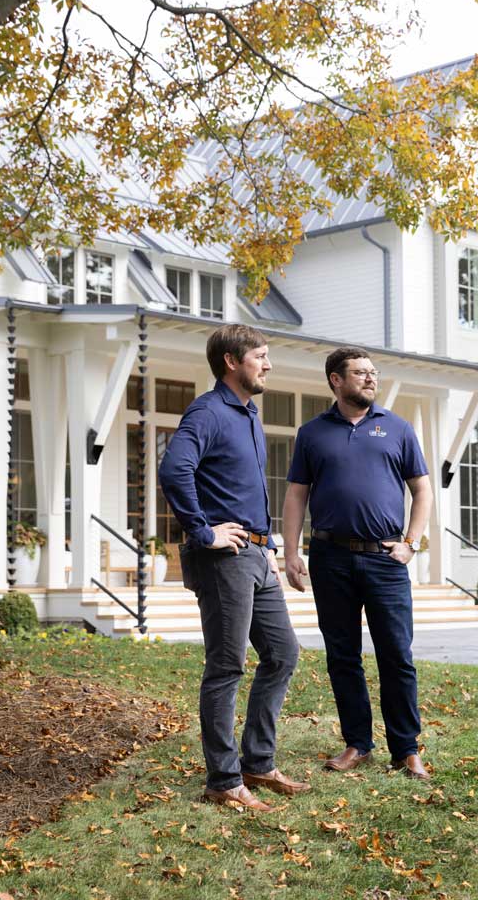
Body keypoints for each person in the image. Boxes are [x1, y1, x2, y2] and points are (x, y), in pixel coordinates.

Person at [158, 324, 308, 811]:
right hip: (224, 559)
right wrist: (204, 532)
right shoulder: (207, 411)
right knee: (226, 666)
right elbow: (173, 469)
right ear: (231, 361)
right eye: (260, 356)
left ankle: (257, 763)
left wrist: (268, 545)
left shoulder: (247, 412)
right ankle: (223, 780)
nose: (268, 364)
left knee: (283, 653)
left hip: (256, 556)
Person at [283, 346, 434, 779]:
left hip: (385, 560)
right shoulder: (312, 433)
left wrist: (411, 544)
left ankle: (406, 749)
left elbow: (422, 491)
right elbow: (297, 495)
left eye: (373, 373)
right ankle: (357, 744)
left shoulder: (398, 429)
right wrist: (292, 554)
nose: (371, 379)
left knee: (396, 656)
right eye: (361, 373)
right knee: (342, 655)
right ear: (336, 379)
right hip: (330, 557)